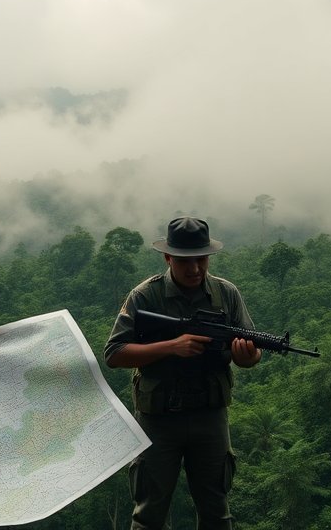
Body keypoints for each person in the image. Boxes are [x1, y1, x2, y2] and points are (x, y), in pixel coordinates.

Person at [104, 217, 261, 530]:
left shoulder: (226, 294)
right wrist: (171, 347)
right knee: (149, 514)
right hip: (158, 418)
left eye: (201, 260)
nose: (195, 270)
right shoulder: (145, 296)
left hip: (210, 415)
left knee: (217, 511)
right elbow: (115, 354)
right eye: (185, 262)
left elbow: (251, 352)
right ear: (167, 258)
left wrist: (247, 356)